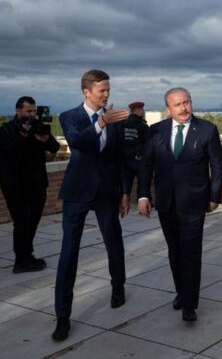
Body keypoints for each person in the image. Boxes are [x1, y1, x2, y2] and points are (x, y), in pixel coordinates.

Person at [52, 70, 130, 342]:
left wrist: (124, 191)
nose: (107, 94)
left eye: (108, 89)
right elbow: (76, 141)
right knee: (68, 252)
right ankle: (62, 317)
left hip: (107, 192)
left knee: (114, 242)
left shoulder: (116, 119)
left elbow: (120, 158)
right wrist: (101, 123)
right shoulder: (69, 116)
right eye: (101, 91)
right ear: (87, 92)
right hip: (77, 192)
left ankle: (118, 287)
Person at [137, 88, 222, 322]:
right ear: (169, 108)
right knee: (175, 252)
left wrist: (214, 196)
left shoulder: (207, 130)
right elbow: (146, 166)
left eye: (187, 102)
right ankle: (181, 292)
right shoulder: (155, 131)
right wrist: (143, 196)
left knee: (191, 253)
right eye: (178, 104)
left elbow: (217, 166)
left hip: (195, 203)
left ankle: (189, 304)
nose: (184, 108)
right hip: (166, 203)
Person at [0, 96, 60, 273]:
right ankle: (21, 261)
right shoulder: (7, 130)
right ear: (18, 111)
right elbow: (6, 150)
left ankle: (27, 256)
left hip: (37, 184)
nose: (31, 114)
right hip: (16, 186)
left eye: (33, 111)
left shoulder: (37, 127)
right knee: (22, 223)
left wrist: (45, 139)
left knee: (33, 223)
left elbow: (54, 147)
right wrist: (22, 135)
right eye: (28, 111)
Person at [123, 101, 149, 200]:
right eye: (142, 110)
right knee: (142, 182)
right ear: (138, 110)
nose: (143, 112)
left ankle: (124, 202)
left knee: (126, 183)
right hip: (139, 159)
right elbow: (147, 144)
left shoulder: (123, 124)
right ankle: (142, 202)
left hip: (124, 159)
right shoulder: (143, 126)